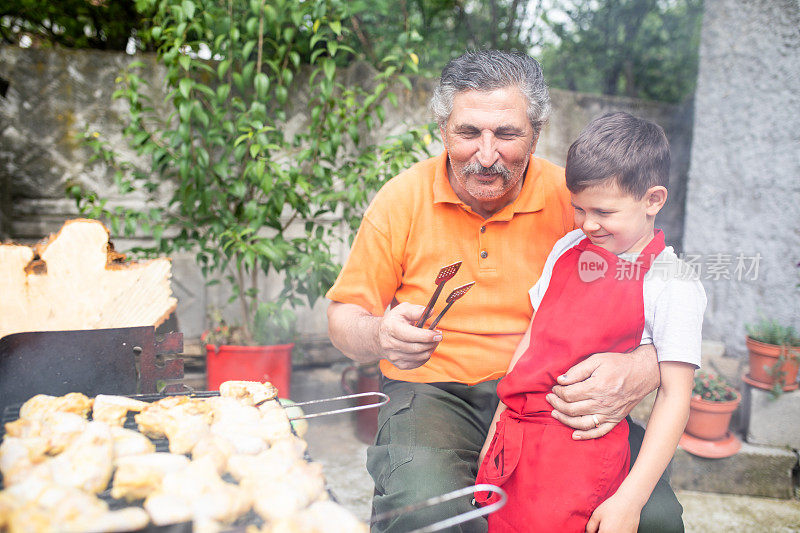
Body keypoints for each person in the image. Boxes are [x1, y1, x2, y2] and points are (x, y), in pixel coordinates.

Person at [326, 50, 682, 532]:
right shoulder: (401, 200)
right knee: (426, 506)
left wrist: (642, 366)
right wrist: (380, 335)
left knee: (653, 518)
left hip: (552, 394)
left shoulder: (579, 202)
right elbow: (345, 316)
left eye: (508, 134)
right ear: (443, 130)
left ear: (536, 132)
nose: (487, 154)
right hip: (433, 393)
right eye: (469, 132)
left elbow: (664, 295)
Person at [474, 112, 706, 531]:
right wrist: (496, 432)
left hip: (582, 459)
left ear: (653, 200)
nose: (587, 224)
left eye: (603, 211)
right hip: (519, 445)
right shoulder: (566, 248)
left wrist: (630, 501)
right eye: (578, 208)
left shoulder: (672, 283)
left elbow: (676, 397)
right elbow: (532, 341)